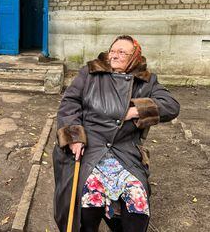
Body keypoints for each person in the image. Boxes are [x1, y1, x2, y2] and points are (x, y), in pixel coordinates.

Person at [53, 35, 180, 232]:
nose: (115, 55)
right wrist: (74, 138)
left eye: (122, 52)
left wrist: (137, 110)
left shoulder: (146, 80)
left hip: (125, 152)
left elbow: (171, 106)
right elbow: (69, 104)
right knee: (88, 205)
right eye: (113, 50)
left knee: (138, 206)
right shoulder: (90, 72)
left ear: (135, 57)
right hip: (90, 148)